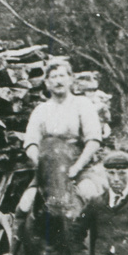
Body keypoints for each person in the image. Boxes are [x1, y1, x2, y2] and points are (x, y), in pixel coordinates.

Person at [17, 61, 105, 215]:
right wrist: (41, 163)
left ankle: (101, 238)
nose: (58, 80)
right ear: (47, 83)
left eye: (62, 76)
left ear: (70, 79)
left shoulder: (83, 104)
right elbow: (31, 142)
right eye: (53, 77)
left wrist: (77, 167)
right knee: (25, 204)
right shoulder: (41, 110)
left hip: (79, 168)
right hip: (48, 170)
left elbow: (93, 140)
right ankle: (17, 238)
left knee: (90, 194)